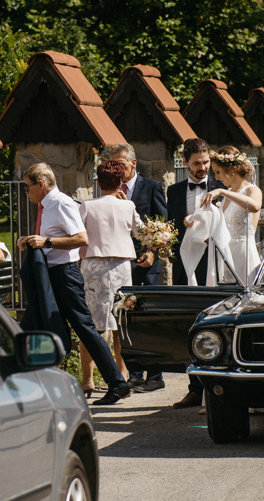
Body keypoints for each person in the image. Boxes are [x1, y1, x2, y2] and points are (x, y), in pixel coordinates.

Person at [16, 163, 131, 406]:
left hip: (65, 275)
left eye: (28, 187)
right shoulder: (46, 206)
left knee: (84, 328)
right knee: (40, 323)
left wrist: (46, 242)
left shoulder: (61, 203)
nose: (26, 192)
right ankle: (36, 385)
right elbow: (51, 238)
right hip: (52, 273)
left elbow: (81, 238)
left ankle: (118, 383)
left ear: (41, 184)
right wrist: (31, 241)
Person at [77, 160, 155, 397]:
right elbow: (144, 234)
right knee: (120, 322)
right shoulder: (128, 206)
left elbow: (78, 236)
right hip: (122, 267)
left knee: (91, 325)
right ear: (121, 182)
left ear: (98, 182)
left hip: (94, 267)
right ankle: (121, 374)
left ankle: (88, 379)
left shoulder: (87, 206)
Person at [166, 138, 225, 409]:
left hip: (214, 264)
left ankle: (217, 387)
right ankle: (193, 389)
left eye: (205, 162)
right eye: (196, 163)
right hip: (184, 267)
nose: (202, 168)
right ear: (185, 163)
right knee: (190, 327)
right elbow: (172, 227)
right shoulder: (174, 191)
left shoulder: (223, 187)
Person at [107, 142, 167, 393]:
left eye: (120, 163)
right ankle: (135, 374)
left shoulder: (151, 187)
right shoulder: (109, 190)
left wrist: (152, 253)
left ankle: (156, 375)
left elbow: (163, 224)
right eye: (112, 164)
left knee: (150, 318)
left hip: (148, 264)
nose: (116, 168)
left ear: (133, 163)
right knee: (127, 319)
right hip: (123, 265)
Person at [202, 146, 262, 285]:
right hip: (227, 255)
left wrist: (223, 192)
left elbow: (254, 206)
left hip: (244, 254)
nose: (216, 177)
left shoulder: (252, 190)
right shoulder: (227, 193)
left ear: (231, 171)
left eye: (218, 172)